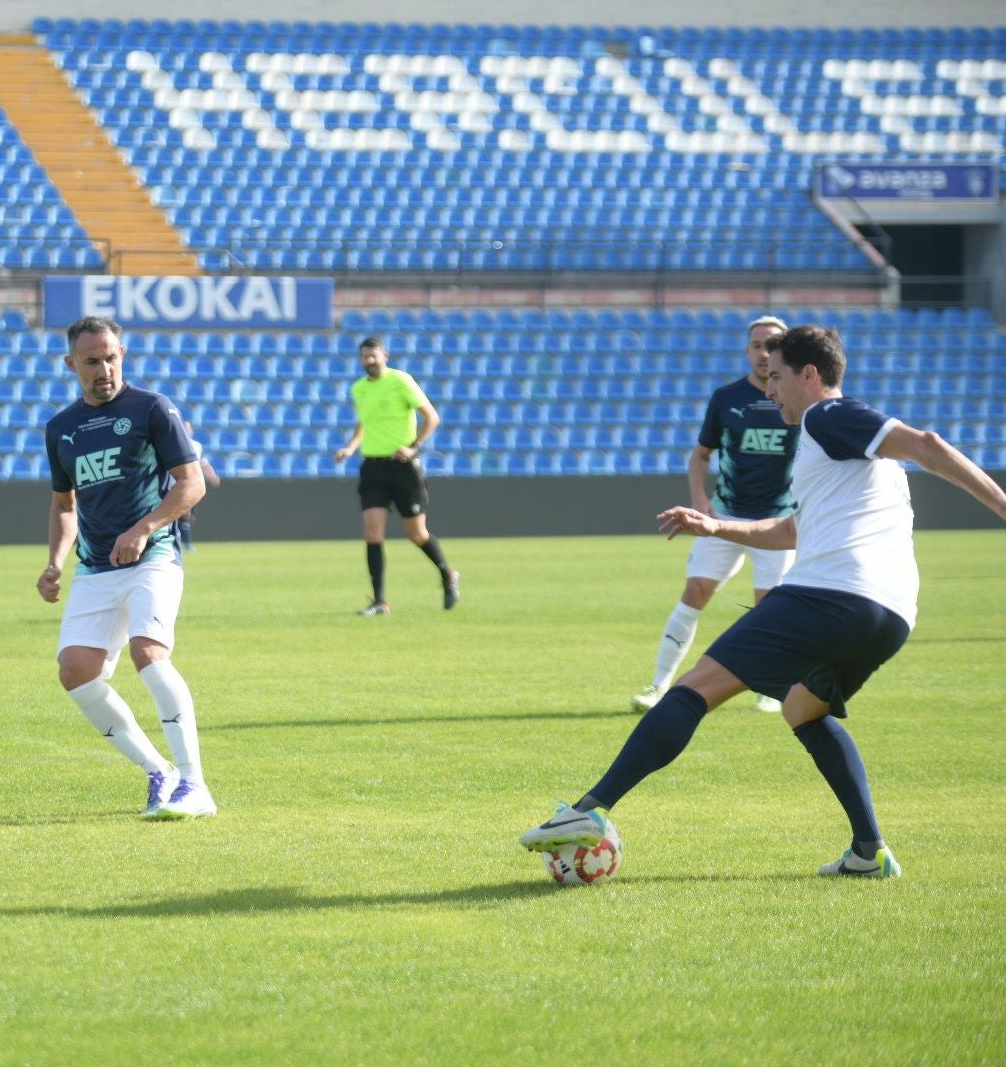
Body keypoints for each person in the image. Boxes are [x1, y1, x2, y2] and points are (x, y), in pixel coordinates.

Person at [519, 325, 1006, 879]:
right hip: (889, 615)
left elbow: (931, 446)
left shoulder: (827, 416)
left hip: (831, 595)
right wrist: (715, 524)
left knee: (695, 687)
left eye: (777, 377)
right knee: (803, 708)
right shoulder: (844, 455)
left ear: (811, 375)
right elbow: (790, 531)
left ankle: (585, 811)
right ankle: (869, 852)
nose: (769, 390)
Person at [36, 316, 213, 820]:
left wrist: (145, 528)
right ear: (72, 365)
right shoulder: (61, 428)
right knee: (76, 672)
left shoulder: (151, 408)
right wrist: (52, 563)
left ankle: (196, 786)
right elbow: (64, 505)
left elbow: (191, 483)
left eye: (111, 357)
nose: (104, 369)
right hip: (95, 567)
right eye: (92, 361)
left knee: (148, 653)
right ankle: (160, 772)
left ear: (123, 354)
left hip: (152, 557)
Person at [631, 315, 798, 716]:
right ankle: (657, 686)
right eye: (757, 345)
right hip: (724, 517)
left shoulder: (797, 401)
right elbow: (701, 454)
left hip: (776, 522)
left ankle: (770, 689)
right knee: (695, 593)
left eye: (772, 345)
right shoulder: (727, 399)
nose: (763, 353)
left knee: (768, 607)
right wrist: (698, 499)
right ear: (747, 351)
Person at [332, 336, 460, 615]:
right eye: (365, 356)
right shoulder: (359, 389)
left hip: (402, 468)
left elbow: (432, 417)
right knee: (372, 532)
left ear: (384, 356)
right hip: (373, 468)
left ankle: (447, 574)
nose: (369, 360)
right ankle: (380, 601)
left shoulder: (401, 381)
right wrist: (350, 447)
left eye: (373, 356)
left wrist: (414, 448)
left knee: (416, 534)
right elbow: (363, 423)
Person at [171, 420, 220, 551]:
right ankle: (184, 543)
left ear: (191, 431)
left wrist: (212, 476)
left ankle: (182, 540)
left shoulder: (196, 446)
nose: (186, 431)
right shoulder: (173, 443)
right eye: (184, 428)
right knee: (182, 513)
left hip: (193, 483)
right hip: (178, 483)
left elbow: (203, 463)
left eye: (188, 428)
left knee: (190, 516)